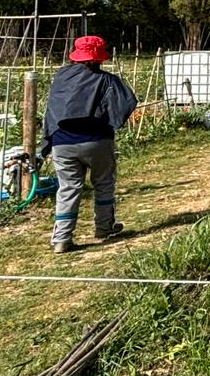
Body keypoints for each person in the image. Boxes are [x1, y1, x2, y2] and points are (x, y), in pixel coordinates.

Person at [39, 34, 138, 253]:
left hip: (62, 142)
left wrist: (45, 143)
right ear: (100, 58)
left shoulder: (61, 77)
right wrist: (109, 121)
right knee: (103, 182)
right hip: (97, 141)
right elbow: (126, 103)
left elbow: (51, 111)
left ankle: (62, 239)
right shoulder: (106, 80)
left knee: (68, 188)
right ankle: (104, 227)